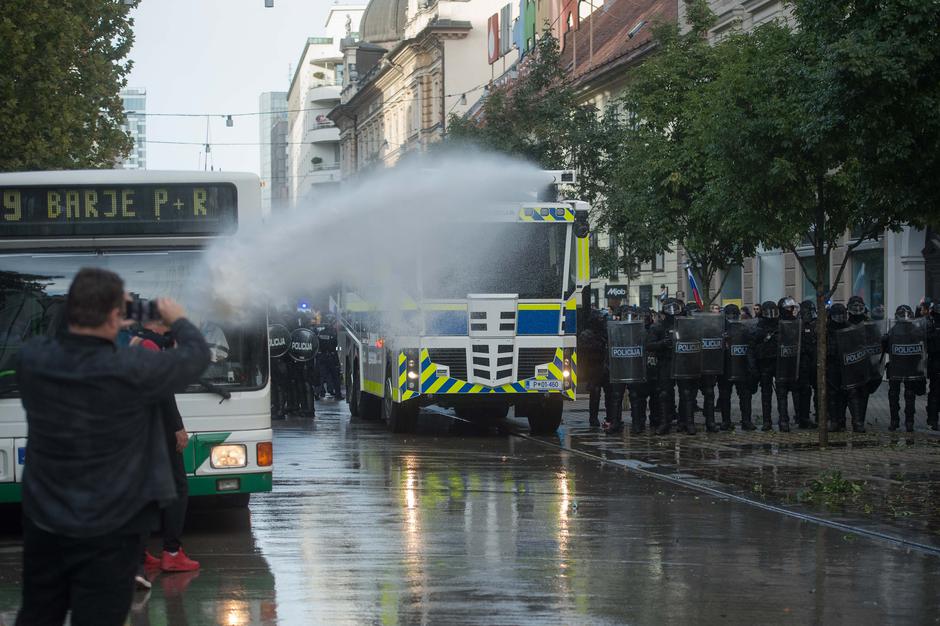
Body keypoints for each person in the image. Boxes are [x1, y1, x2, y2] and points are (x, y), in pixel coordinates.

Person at [15, 268, 210, 626]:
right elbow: (196, 356)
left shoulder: (33, 360)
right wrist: (176, 318)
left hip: (46, 519)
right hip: (113, 526)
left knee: (39, 613)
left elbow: (60, 335)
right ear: (115, 316)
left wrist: (107, 313)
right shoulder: (133, 367)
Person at [130, 319, 200, 576]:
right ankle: (172, 552)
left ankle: (139, 553)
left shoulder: (134, 343)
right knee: (178, 487)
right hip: (158, 429)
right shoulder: (150, 347)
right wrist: (177, 427)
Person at [885, 305, 925, 432]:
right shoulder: (894, 330)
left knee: (907, 394)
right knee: (896, 394)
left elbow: (922, 348)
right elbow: (887, 348)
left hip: (909, 367)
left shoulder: (915, 330)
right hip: (898, 366)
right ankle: (899, 421)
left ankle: (906, 422)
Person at [717, 304, 756, 431]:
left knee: (743, 395)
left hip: (739, 366)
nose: (732, 317)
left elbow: (751, 345)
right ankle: (729, 421)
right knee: (726, 395)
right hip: (728, 366)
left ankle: (743, 421)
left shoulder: (744, 328)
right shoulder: (721, 329)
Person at [647, 298, 683, 435]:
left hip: (682, 361)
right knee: (664, 393)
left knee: (686, 394)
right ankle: (664, 422)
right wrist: (662, 344)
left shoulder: (684, 324)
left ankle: (685, 422)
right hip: (665, 362)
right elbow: (649, 345)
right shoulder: (657, 326)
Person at [773, 297, 801, 432]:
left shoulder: (797, 323)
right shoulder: (777, 324)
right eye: (790, 308)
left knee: (796, 393)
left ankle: (799, 417)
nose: (792, 310)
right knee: (782, 394)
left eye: (793, 308)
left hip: (794, 364)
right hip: (781, 365)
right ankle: (783, 419)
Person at [754, 300, 781, 431]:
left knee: (781, 392)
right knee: (766, 393)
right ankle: (766, 421)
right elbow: (754, 344)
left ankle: (783, 419)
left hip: (778, 360)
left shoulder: (780, 324)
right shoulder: (759, 325)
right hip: (765, 362)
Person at [827, 303, 850, 432]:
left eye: (843, 315)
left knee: (844, 393)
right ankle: (834, 420)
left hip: (845, 364)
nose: (840, 318)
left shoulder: (848, 327)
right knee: (832, 394)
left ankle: (841, 420)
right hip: (831, 364)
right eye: (838, 316)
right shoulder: (827, 328)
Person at [796, 300, 818, 429]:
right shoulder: (798, 324)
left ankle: (820, 415)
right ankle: (803, 418)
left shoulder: (817, 324)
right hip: (803, 363)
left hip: (815, 361)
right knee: (805, 391)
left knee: (818, 390)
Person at [317, 314, 342, 400]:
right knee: (335, 376)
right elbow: (336, 344)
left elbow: (318, 344)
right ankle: (337, 394)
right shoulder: (333, 333)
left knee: (322, 376)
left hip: (322, 356)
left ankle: (321, 392)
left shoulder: (320, 333)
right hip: (331, 356)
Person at [927, 302, 940, 430]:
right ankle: (933, 419)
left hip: (935, 362)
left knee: (934, 392)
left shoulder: (931, 324)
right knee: (935, 392)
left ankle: (933, 419)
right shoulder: (930, 325)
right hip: (935, 362)